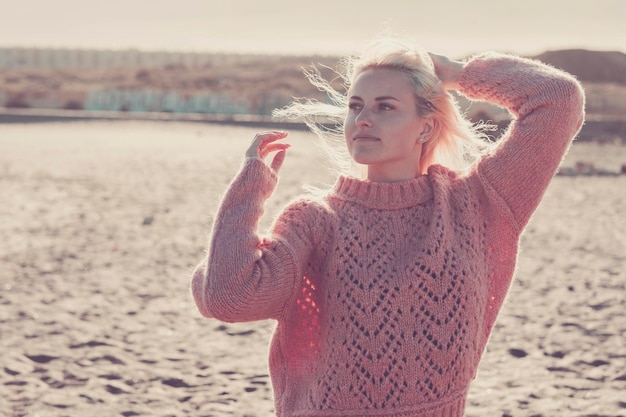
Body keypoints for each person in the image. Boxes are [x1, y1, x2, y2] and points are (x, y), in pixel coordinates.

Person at [191, 38, 585, 417]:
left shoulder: (477, 204)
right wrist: (249, 191)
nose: (362, 119)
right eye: (355, 106)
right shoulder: (315, 220)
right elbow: (227, 298)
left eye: (385, 106)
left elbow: (559, 99)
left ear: (425, 128)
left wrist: (458, 73)